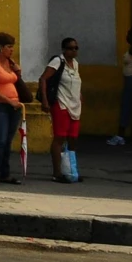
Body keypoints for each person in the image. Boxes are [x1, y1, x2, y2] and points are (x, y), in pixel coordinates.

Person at [39, 36, 83, 183]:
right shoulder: (58, 61)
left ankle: (71, 169)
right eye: (71, 48)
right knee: (59, 137)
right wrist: (45, 100)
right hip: (61, 104)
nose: (74, 51)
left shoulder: (75, 64)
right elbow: (43, 78)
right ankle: (57, 172)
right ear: (64, 49)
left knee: (73, 138)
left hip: (75, 106)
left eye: (76, 48)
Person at [0, 33, 23, 188]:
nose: (11, 50)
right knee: (0, 140)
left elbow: (15, 82)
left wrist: (18, 72)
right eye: (8, 47)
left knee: (7, 141)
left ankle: (4, 173)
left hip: (14, 107)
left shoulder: (10, 63)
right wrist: (8, 101)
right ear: (0, 47)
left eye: (12, 46)